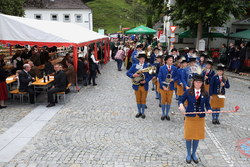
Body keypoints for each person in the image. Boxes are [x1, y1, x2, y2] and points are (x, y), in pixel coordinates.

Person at [178, 74, 212, 164]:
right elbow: (181, 100)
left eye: (200, 82)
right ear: (193, 82)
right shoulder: (188, 91)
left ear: (202, 83)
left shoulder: (205, 93)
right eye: (196, 82)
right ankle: (188, 153)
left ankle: (194, 153)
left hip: (200, 118)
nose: (198, 84)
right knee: (188, 136)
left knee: (197, 137)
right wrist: (181, 105)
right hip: (190, 117)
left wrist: (209, 109)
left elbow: (207, 104)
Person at [126, 52, 152, 119]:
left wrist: (146, 80)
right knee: (138, 99)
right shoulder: (134, 65)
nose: (142, 60)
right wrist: (133, 75)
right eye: (141, 58)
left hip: (144, 85)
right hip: (137, 85)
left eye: (143, 58)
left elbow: (151, 75)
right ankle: (139, 112)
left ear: (145, 59)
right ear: (139, 59)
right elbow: (128, 73)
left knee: (143, 99)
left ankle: (143, 112)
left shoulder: (148, 65)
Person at [158, 55, 178, 120]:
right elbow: (160, 78)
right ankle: (163, 113)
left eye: (172, 60)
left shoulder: (174, 68)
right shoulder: (162, 68)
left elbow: (177, 76)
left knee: (169, 100)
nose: (171, 61)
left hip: (171, 87)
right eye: (170, 60)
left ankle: (167, 113)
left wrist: (173, 79)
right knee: (163, 100)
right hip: (163, 87)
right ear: (166, 61)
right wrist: (163, 86)